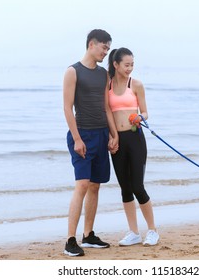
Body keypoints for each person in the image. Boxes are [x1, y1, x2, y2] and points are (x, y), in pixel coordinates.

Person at [63, 29, 119, 257]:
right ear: (91, 44)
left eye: (108, 48)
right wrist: (76, 138)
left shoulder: (103, 75)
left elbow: (106, 107)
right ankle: (70, 241)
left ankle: (88, 235)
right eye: (104, 47)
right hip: (82, 134)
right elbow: (67, 107)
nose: (106, 52)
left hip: (101, 134)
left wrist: (114, 134)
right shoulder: (72, 71)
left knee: (95, 185)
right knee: (82, 185)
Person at [107, 47, 159, 246]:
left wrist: (140, 116)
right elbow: (107, 112)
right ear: (116, 65)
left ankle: (152, 230)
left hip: (135, 138)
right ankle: (134, 232)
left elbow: (145, 112)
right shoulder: (108, 85)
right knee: (125, 189)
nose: (130, 68)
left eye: (132, 65)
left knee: (137, 186)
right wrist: (112, 137)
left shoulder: (136, 84)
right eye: (126, 65)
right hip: (117, 140)